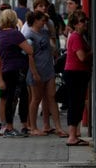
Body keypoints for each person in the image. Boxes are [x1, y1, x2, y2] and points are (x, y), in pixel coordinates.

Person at [24, 11, 68, 137]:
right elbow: (30, 56)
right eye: (42, 20)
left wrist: (47, 19)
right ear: (35, 20)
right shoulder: (29, 35)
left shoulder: (44, 32)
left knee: (52, 98)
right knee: (36, 99)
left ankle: (58, 126)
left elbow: (52, 30)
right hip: (37, 70)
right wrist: (34, 73)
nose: (44, 23)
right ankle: (33, 127)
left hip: (48, 70)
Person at [0, 9, 36, 137]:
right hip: (18, 69)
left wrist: (0, 78)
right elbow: (29, 50)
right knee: (22, 97)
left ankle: (8, 126)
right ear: (13, 20)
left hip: (5, 70)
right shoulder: (15, 34)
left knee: (8, 98)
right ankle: (22, 125)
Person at [64, 10, 92, 146]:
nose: (84, 23)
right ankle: (72, 136)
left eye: (84, 20)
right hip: (75, 73)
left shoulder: (81, 36)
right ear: (75, 24)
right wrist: (92, 52)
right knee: (75, 104)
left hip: (78, 73)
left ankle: (75, 134)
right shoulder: (75, 37)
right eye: (81, 21)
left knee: (78, 104)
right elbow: (81, 57)